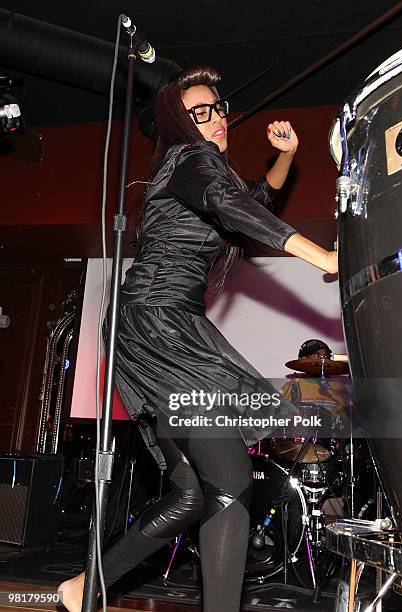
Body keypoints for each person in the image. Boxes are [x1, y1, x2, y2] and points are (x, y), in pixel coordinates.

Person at [58, 66, 338, 612]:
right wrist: (323, 256)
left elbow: (250, 197)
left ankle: (83, 586)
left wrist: (284, 157)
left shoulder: (191, 172)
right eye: (199, 113)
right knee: (230, 480)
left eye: (219, 109)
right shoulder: (191, 160)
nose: (216, 120)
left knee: (191, 492)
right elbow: (237, 208)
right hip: (162, 326)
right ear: (179, 125)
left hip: (149, 327)